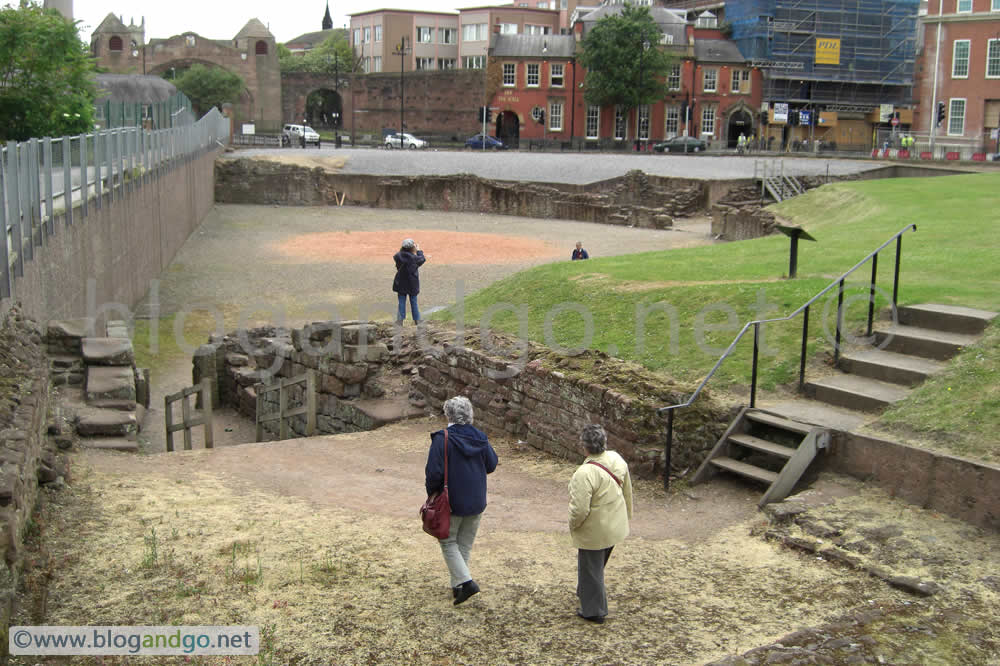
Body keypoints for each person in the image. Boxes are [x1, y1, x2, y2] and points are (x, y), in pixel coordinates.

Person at [425, 396, 499, 606]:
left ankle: (466, 583)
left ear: (448, 414)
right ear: (470, 414)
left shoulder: (443, 439)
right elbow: (492, 464)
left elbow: (434, 473)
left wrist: (432, 493)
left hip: (452, 500)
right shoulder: (480, 437)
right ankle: (458, 586)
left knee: (448, 542)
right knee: (463, 545)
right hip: (476, 499)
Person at [568, 424, 633, 624]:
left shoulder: (584, 473)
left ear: (584, 446)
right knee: (595, 566)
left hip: (596, 530)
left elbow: (580, 509)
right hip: (615, 523)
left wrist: (573, 525)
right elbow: (627, 491)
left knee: (590, 567)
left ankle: (595, 610)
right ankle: (587, 592)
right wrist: (627, 517)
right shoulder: (616, 459)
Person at [392, 238, 426, 323]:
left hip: (400, 282)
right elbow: (422, 259)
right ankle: (417, 320)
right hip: (412, 283)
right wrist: (419, 250)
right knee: (413, 301)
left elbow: (397, 264)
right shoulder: (414, 258)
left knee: (401, 302)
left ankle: (400, 320)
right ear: (412, 248)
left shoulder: (397, 256)